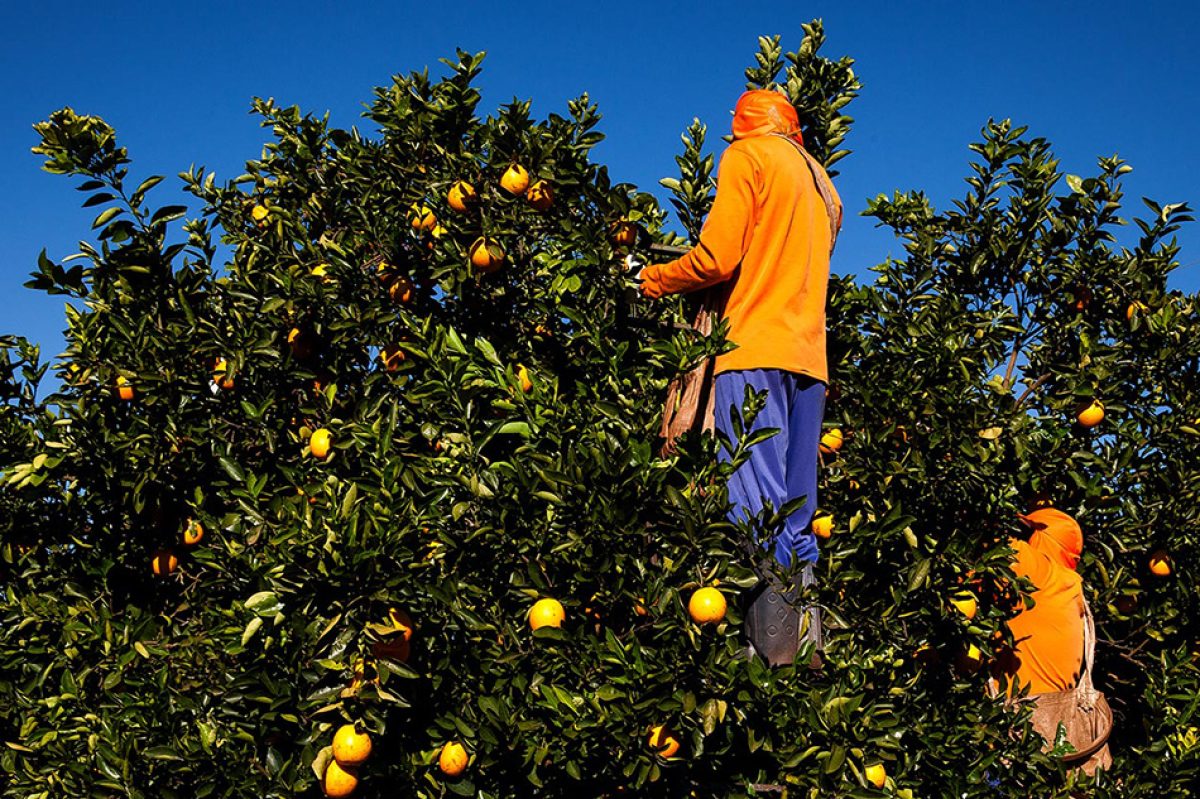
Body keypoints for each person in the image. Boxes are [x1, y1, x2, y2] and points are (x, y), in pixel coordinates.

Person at [637, 89, 842, 665]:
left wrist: (651, 280)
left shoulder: (749, 156)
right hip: (810, 361)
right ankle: (808, 654)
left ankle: (766, 664)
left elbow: (718, 257)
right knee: (798, 510)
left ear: (744, 128)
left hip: (753, 351)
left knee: (754, 503)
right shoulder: (823, 185)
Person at [999, 508, 1111, 774]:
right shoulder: (1072, 591)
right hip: (1063, 730)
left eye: (1027, 532)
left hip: (1020, 721)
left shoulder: (1038, 571)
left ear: (1042, 537)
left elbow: (978, 543)